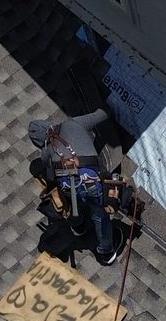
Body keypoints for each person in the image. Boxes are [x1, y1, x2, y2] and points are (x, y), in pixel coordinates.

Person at [30, 112, 122, 265]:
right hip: (92, 182)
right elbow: (101, 114)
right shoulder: (74, 123)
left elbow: (51, 177)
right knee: (100, 214)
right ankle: (105, 252)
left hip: (69, 187)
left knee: (69, 201)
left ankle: (78, 227)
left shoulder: (45, 152)